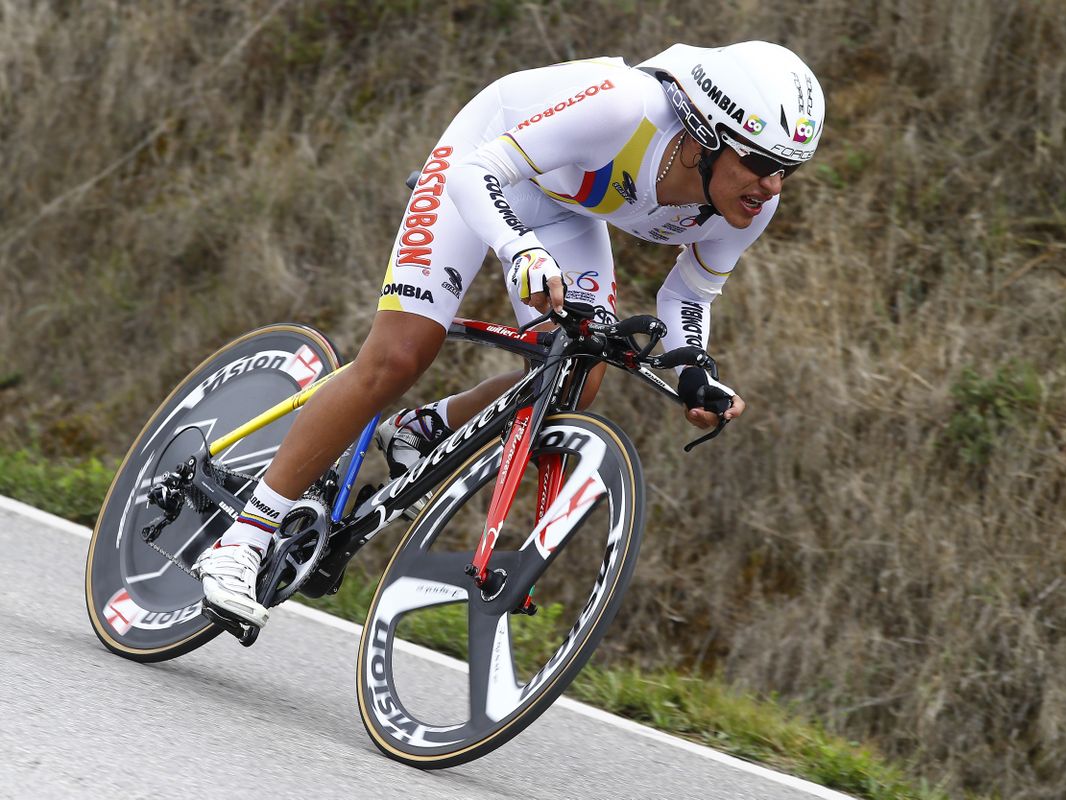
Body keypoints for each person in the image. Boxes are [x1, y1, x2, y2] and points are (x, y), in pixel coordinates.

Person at [192, 41, 826, 629]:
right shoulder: (622, 108)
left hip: (566, 208)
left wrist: (695, 369)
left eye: (786, 173)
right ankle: (244, 537)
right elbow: (477, 172)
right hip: (485, 164)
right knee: (400, 355)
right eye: (762, 164)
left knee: (576, 378)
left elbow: (687, 296)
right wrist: (516, 248)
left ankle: (425, 428)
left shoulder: (750, 205)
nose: (771, 188)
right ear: (703, 137)